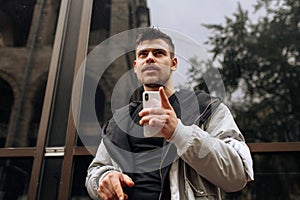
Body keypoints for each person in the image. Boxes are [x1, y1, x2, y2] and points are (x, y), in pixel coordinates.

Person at [85, 28, 254, 200]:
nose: (150, 57)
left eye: (158, 53)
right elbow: (95, 171)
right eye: (143, 54)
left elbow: (237, 175)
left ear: (173, 64)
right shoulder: (120, 120)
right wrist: (104, 178)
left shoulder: (206, 107)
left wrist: (179, 133)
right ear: (136, 67)